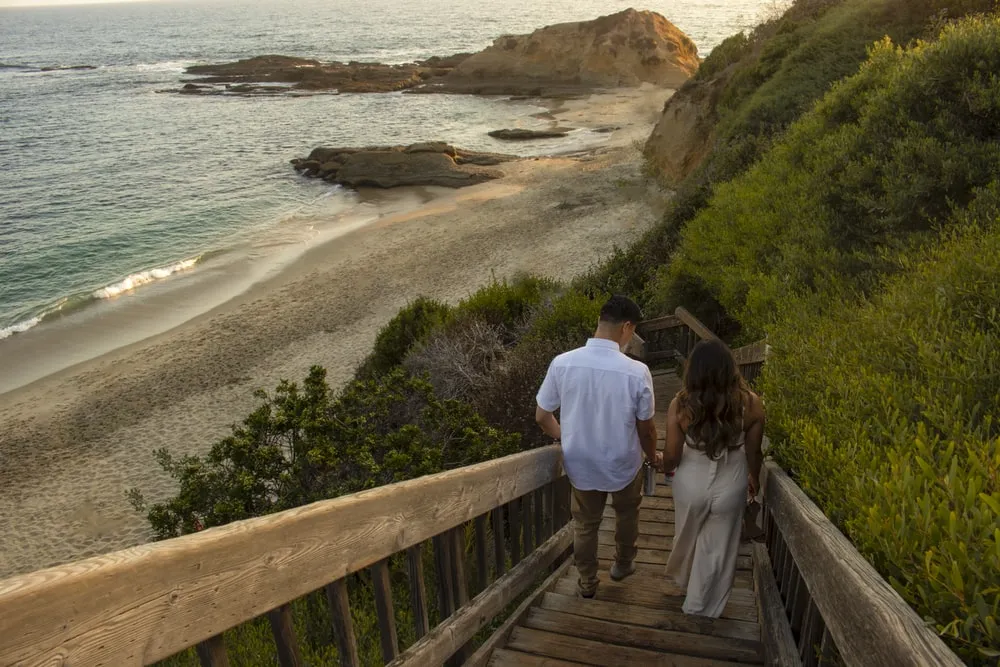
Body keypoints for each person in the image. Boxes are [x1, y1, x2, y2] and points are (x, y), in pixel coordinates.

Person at [535, 295, 659, 598]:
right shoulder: (636, 372)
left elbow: (541, 416)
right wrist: (652, 456)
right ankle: (622, 564)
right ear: (627, 327)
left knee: (586, 524)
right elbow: (646, 428)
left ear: (599, 322)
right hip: (624, 462)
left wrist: (568, 437)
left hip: (581, 462)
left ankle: (588, 581)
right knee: (627, 513)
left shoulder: (563, 363)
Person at [662, 338, 765, 617]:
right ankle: (701, 606)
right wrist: (754, 477)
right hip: (731, 479)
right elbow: (754, 452)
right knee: (718, 548)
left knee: (687, 533)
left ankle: (683, 580)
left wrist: (662, 465)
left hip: (690, 479)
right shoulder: (752, 403)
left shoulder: (680, 405)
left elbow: (672, 454)